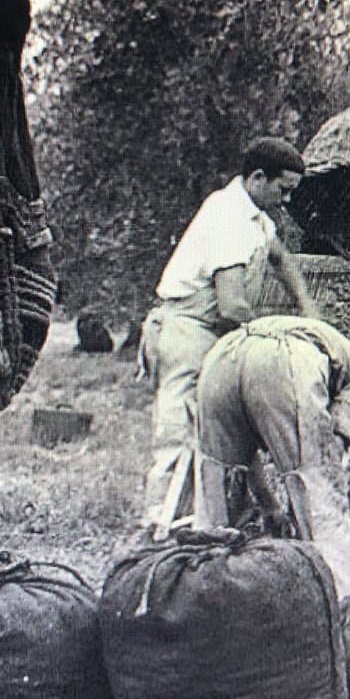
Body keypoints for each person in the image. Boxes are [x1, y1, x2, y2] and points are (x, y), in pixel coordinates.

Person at [140, 139, 319, 527]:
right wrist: (277, 340)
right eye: (283, 189)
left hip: (214, 331)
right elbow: (232, 305)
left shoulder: (257, 218)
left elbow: (281, 259)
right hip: (188, 328)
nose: (287, 200)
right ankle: (159, 521)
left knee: (225, 422)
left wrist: (308, 309)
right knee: (179, 429)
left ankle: (224, 513)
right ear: (258, 178)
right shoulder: (227, 216)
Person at [192, 314, 350, 599]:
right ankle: (348, 602)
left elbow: (244, 459)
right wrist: (320, 491)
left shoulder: (329, 345)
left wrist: (270, 507)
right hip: (281, 360)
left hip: (221, 357)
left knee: (220, 488)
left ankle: (202, 596)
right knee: (321, 500)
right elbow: (333, 444)